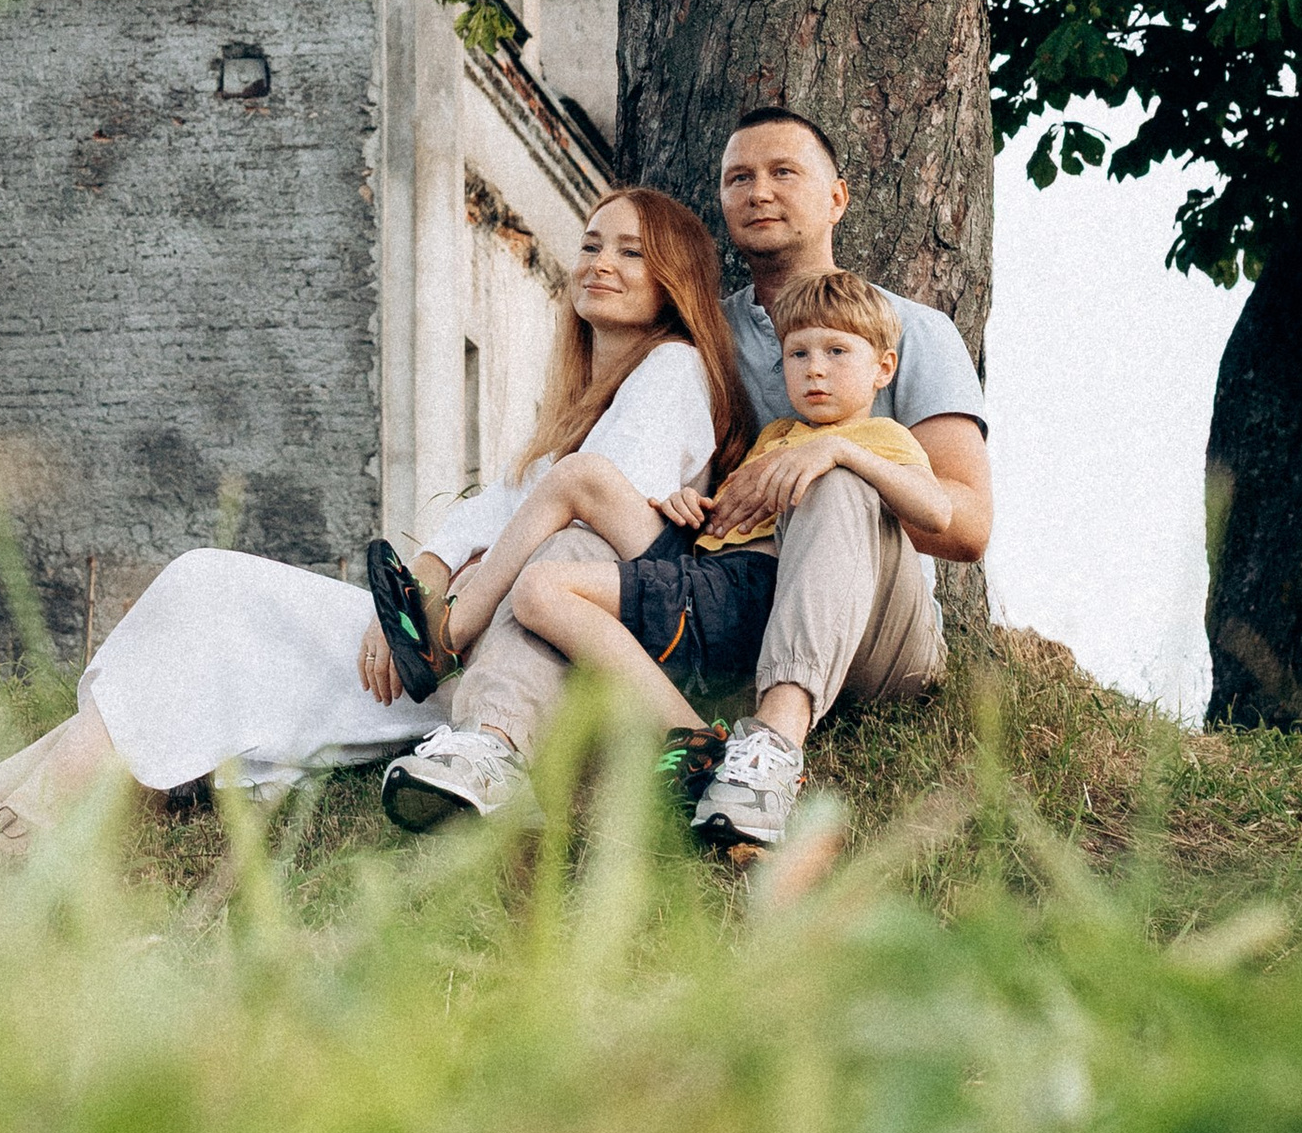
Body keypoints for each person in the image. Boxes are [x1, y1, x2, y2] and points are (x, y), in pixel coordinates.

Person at [0, 185, 749, 860]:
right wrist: (429, 571)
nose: (601, 263)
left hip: (520, 655)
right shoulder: (586, 396)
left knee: (209, 594)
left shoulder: (670, 373)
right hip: (465, 628)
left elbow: (585, 513)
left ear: (675, 280)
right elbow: (497, 507)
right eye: (590, 244)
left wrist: (449, 613)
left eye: (631, 252)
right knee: (201, 610)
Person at [386, 105, 994, 852]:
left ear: (837, 197)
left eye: (784, 172)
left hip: (867, 624)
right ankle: (491, 745)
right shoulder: (705, 333)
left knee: (834, 481)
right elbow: (612, 454)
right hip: (736, 595)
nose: (759, 191)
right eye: (739, 177)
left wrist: (836, 453)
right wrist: (681, 507)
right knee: (569, 547)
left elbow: (966, 530)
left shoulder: (907, 330)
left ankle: (771, 753)